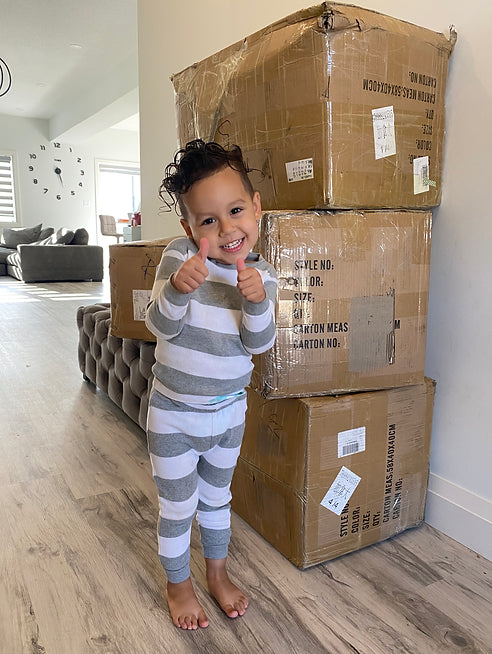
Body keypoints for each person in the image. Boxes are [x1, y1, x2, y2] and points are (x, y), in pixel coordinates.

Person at [145, 139, 277, 630]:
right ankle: (178, 584)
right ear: (189, 228)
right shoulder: (179, 258)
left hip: (228, 415)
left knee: (218, 500)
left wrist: (257, 303)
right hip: (174, 415)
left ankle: (217, 574)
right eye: (208, 220)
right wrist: (177, 289)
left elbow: (259, 344)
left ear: (256, 207)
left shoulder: (263, 275)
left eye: (236, 210)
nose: (226, 229)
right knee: (178, 506)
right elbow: (158, 326)